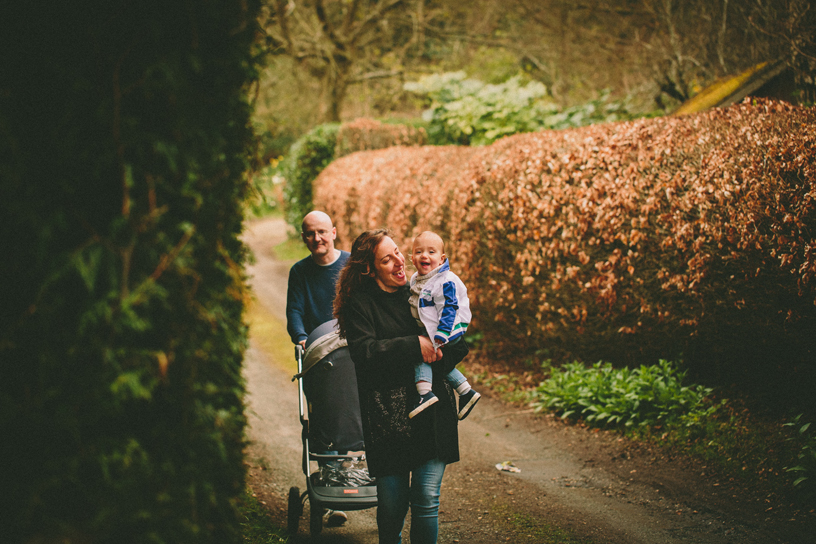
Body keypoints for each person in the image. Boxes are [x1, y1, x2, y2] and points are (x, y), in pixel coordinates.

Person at [334, 229, 468, 544]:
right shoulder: (360, 305)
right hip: (388, 420)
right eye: (387, 258)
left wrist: (444, 346)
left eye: (397, 251)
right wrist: (413, 346)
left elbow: (458, 341)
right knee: (392, 505)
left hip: (432, 413)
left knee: (425, 498)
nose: (399, 261)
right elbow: (364, 353)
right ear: (369, 268)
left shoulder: (422, 290)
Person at [285, 210, 350, 527]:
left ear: (334, 232)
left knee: (353, 413)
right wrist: (299, 337)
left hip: (351, 356)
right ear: (304, 237)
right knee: (324, 417)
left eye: (322, 232)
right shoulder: (300, 272)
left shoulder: (351, 265)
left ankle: (348, 476)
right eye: (310, 233)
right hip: (317, 357)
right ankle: (331, 488)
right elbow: (294, 310)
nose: (317, 239)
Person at [408, 231, 480, 420]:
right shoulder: (417, 279)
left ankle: (424, 394)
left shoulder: (444, 280)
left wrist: (442, 333)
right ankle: (465, 391)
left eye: (431, 252)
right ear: (412, 258)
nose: (424, 255)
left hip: (447, 330)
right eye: (419, 251)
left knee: (421, 355)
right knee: (439, 361)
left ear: (441, 259)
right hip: (435, 330)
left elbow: (449, 307)